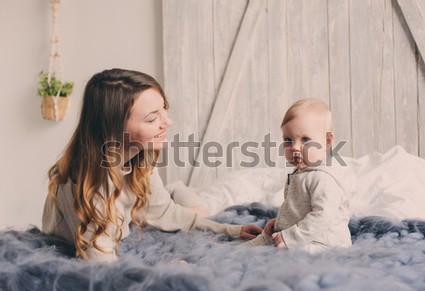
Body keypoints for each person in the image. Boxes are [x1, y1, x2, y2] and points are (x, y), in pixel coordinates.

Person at [42, 68, 262, 262]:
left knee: (198, 212)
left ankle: (175, 189)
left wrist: (230, 229)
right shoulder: (96, 187)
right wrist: (162, 271)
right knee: (196, 210)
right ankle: (175, 189)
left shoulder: (139, 159)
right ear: (115, 130)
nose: (168, 122)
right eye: (151, 119)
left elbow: (165, 213)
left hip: (147, 204)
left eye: (164, 110)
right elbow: (101, 267)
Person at [245, 98, 353, 253]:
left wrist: (291, 236)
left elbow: (323, 216)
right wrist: (280, 223)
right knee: (264, 241)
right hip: (301, 234)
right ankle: (235, 251)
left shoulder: (323, 178)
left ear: (327, 141)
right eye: (288, 140)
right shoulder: (301, 172)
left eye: (305, 139)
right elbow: (298, 210)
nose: (295, 147)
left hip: (325, 243)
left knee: (285, 253)